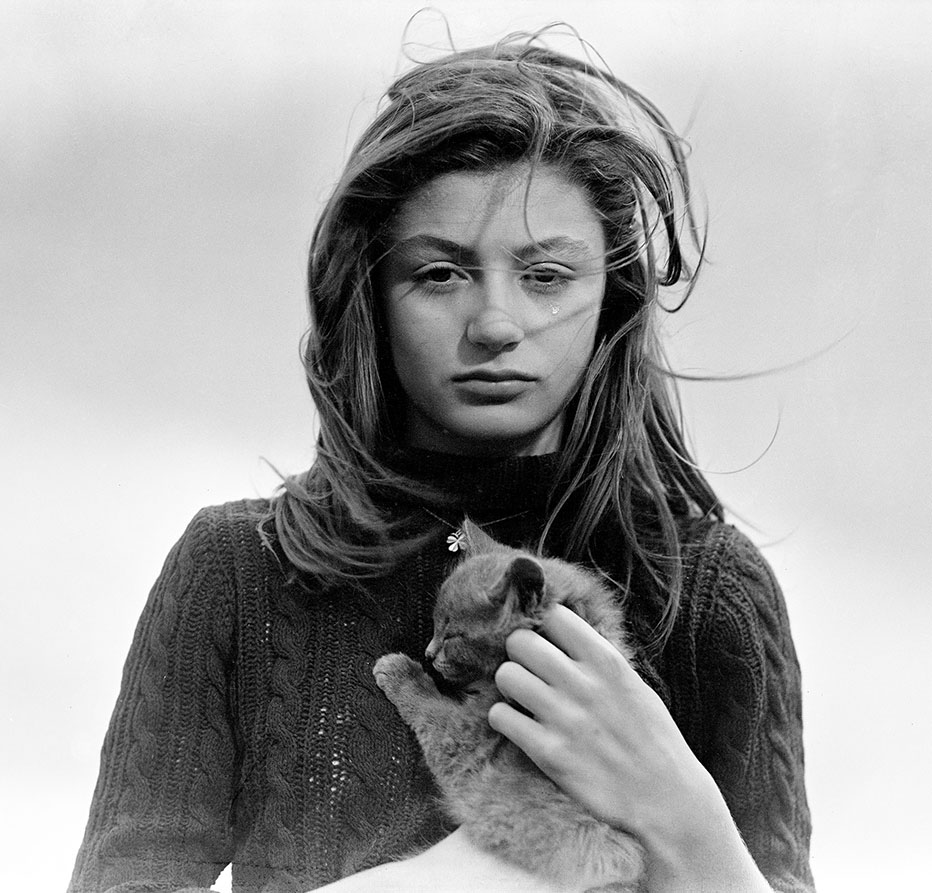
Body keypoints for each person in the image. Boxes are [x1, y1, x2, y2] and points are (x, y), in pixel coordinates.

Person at [68, 30, 814, 893]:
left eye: (545, 276)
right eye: (441, 274)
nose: (496, 324)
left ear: (612, 298)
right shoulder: (239, 573)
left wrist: (681, 811)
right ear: (369, 293)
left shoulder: (708, 592)